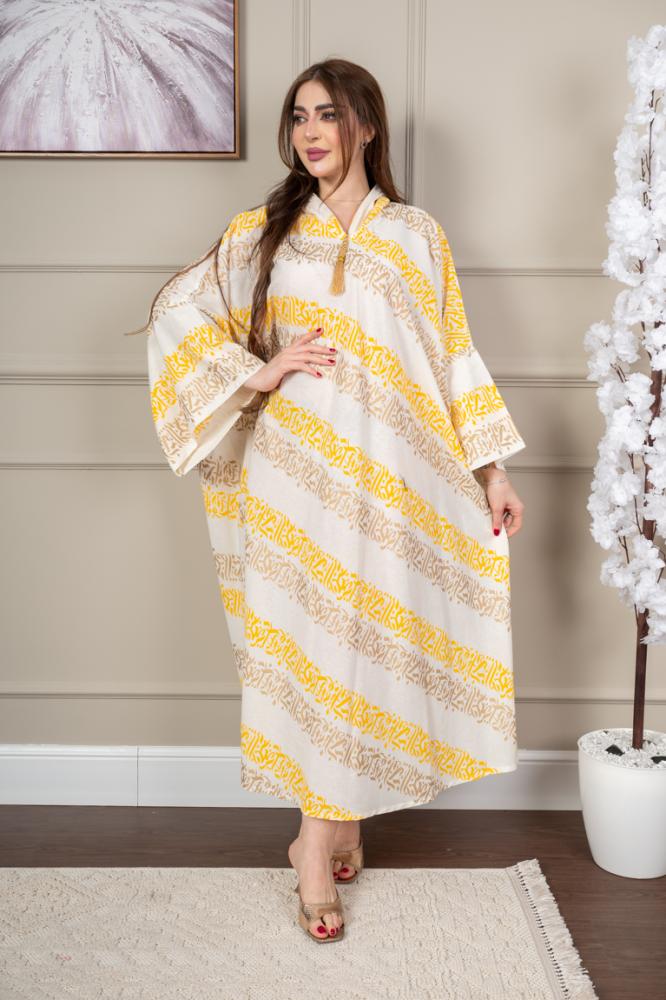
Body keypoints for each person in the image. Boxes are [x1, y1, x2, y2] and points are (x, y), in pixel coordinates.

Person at [128, 58, 527, 943]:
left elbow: (453, 356)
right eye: (300, 116)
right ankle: (315, 845)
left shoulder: (417, 235)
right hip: (294, 483)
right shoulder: (264, 231)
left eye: (329, 115)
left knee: (366, 647)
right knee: (316, 652)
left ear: (367, 127)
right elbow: (177, 312)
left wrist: (492, 471)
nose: (310, 132)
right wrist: (259, 371)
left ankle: (337, 821)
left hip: (394, 484)